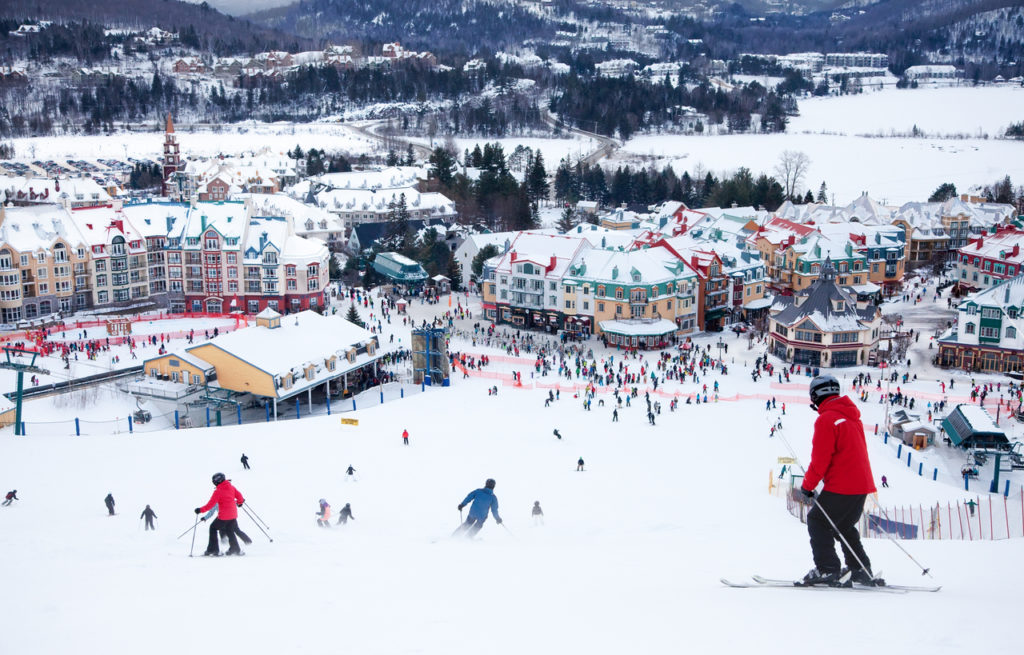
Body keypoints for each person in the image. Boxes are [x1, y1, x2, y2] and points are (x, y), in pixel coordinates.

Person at [799, 375, 882, 587]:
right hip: (861, 486)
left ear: (816, 396)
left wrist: (807, 486)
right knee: (843, 525)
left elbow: (820, 460)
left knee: (817, 521)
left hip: (842, 486)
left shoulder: (827, 420)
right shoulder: (852, 417)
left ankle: (827, 569)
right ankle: (860, 569)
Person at [194, 472, 245, 556]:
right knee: (230, 530)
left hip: (224, 516)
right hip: (233, 515)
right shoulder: (231, 487)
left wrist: (200, 510)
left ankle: (213, 550)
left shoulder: (218, 491)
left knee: (213, 528)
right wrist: (240, 502)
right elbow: (240, 497)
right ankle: (235, 549)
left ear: (217, 481)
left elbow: (210, 505)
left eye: (214, 481)